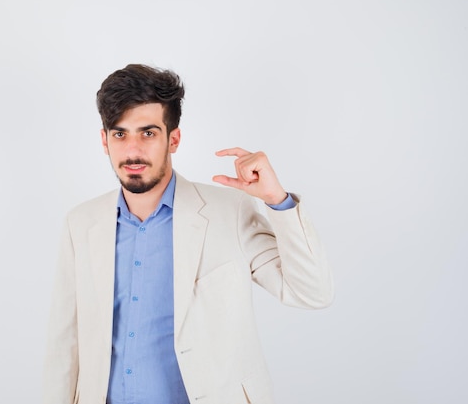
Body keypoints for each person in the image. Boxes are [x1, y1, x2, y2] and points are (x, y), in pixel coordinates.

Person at [43, 63, 334, 404]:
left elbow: (312, 292)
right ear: (105, 140)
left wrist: (276, 200)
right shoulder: (81, 224)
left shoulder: (229, 211)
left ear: (174, 138)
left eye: (148, 133)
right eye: (120, 133)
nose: (133, 150)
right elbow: (65, 346)